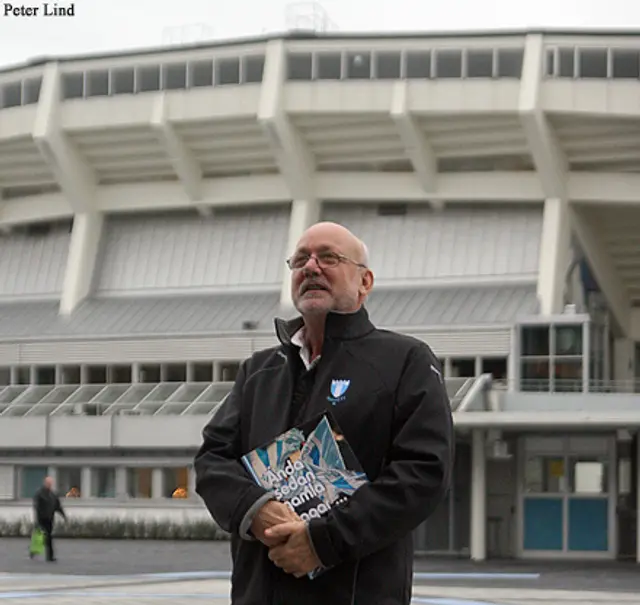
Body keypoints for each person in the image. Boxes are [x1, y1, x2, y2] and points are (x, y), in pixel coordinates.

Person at [194, 222, 454, 605]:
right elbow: (212, 460)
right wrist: (256, 509)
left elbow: (424, 472)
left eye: (328, 257)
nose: (311, 267)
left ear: (365, 282)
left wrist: (322, 542)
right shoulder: (259, 371)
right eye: (300, 260)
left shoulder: (405, 361)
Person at [32, 476, 67, 562]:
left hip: (50, 519)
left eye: (50, 483)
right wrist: (37, 516)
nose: (49, 485)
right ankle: (34, 551)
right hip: (41, 518)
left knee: (48, 537)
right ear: (45, 483)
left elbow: (57, 506)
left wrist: (64, 516)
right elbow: (36, 505)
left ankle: (49, 556)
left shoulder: (53, 495)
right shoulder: (39, 493)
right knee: (41, 537)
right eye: (48, 483)